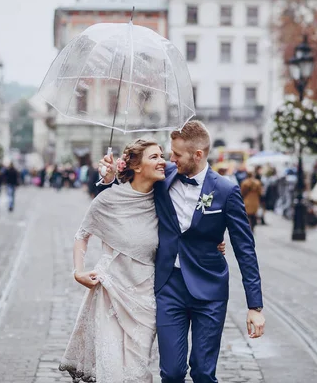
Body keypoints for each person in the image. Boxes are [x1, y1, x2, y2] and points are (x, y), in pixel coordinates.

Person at [98, 121, 264, 383]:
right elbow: (129, 192)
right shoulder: (163, 179)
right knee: (172, 373)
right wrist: (109, 177)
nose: (169, 159)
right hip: (169, 287)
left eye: (176, 154)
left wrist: (255, 305)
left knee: (202, 372)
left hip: (209, 291)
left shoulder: (226, 190)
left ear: (197, 155)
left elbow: (245, 249)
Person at [61, 138, 227, 383]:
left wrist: (209, 243)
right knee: (113, 371)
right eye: (155, 157)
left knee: (137, 372)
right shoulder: (108, 200)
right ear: (136, 166)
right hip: (111, 292)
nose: (163, 161)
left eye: (163, 155)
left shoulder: (164, 198)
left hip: (145, 297)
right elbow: (82, 235)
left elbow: (183, 227)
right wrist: (78, 271)